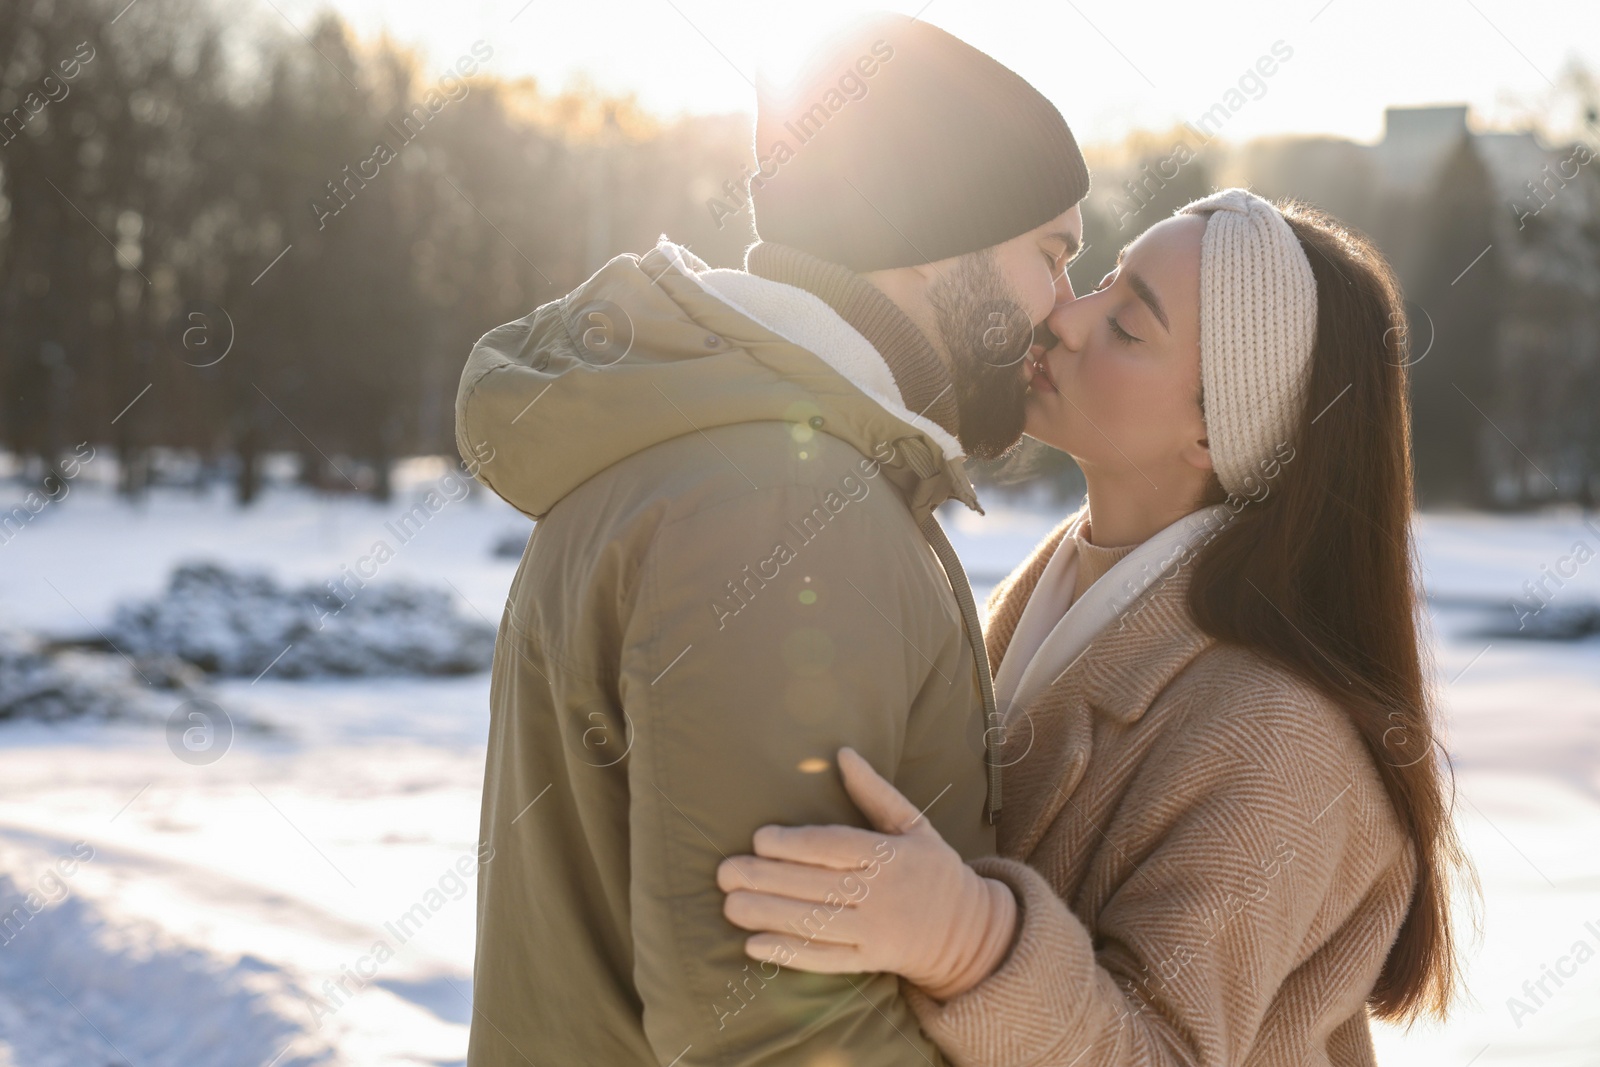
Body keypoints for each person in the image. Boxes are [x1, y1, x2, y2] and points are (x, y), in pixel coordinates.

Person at [454, 12, 1089, 1065]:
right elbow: (776, 1023)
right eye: (1051, 254)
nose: (1064, 308)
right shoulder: (787, 504)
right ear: (936, 240)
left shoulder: (739, 452)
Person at [718, 190, 1469, 1065]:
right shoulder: (1045, 593)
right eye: (1102, 281)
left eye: (1127, 325)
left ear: (1214, 432)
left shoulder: (1281, 739)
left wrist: (971, 942)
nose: (1064, 320)